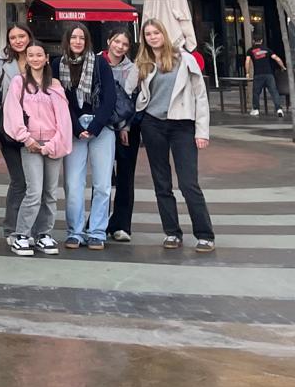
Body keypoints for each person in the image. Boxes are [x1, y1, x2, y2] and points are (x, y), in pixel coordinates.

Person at [134, 17, 215, 252]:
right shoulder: (143, 62)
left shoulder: (185, 59)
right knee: (162, 183)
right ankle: (172, 232)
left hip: (182, 125)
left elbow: (200, 96)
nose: (152, 37)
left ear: (164, 34)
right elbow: (129, 89)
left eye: (156, 32)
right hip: (153, 124)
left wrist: (202, 131)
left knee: (188, 183)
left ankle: (204, 234)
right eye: (148, 34)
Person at [2, 42, 73, 257]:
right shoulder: (19, 82)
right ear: (26, 58)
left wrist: (52, 145)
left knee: (50, 193)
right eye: (30, 55)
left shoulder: (55, 85)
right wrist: (26, 139)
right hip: (30, 145)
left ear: (46, 58)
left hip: (52, 144)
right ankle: (21, 235)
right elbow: (12, 112)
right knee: (33, 191)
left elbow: (63, 119)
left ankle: (43, 233)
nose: (35, 58)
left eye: (39, 55)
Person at [56, 23, 119, 250]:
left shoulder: (100, 63)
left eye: (82, 38)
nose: (77, 41)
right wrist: (76, 127)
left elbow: (110, 98)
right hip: (72, 129)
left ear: (87, 41)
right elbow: (59, 100)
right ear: (67, 40)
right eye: (74, 37)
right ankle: (75, 231)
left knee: (102, 184)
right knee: (73, 184)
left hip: (101, 128)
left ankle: (97, 232)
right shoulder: (57, 65)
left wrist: (95, 126)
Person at [0, 22, 33, 243]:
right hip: (8, 129)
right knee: (19, 180)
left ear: (29, 37)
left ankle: (28, 228)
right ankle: (11, 228)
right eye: (13, 37)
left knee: (34, 183)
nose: (18, 41)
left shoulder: (38, 58)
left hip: (35, 130)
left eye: (21, 36)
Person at [106, 27, 141, 243]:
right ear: (109, 41)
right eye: (117, 42)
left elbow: (135, 100)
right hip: (103, 127)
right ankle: (98, 221)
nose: (120, 47)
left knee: (126, 176)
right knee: (102, 178)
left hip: (128, 128)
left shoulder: (133, 69)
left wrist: (125, 127)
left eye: (125, 44)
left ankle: (121, 224)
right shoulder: (97, 63)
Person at [246, 35, 287, 117]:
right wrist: (283, 67)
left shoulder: (250, 51)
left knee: (256, 92)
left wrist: (247, 72)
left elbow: (247, 62)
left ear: (253, 41)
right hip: (269, 74)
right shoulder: (267, 50)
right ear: (261, 41)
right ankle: (279, 109)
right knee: (274, 92)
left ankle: (256, 109)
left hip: (258, 74)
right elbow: (277, 58)